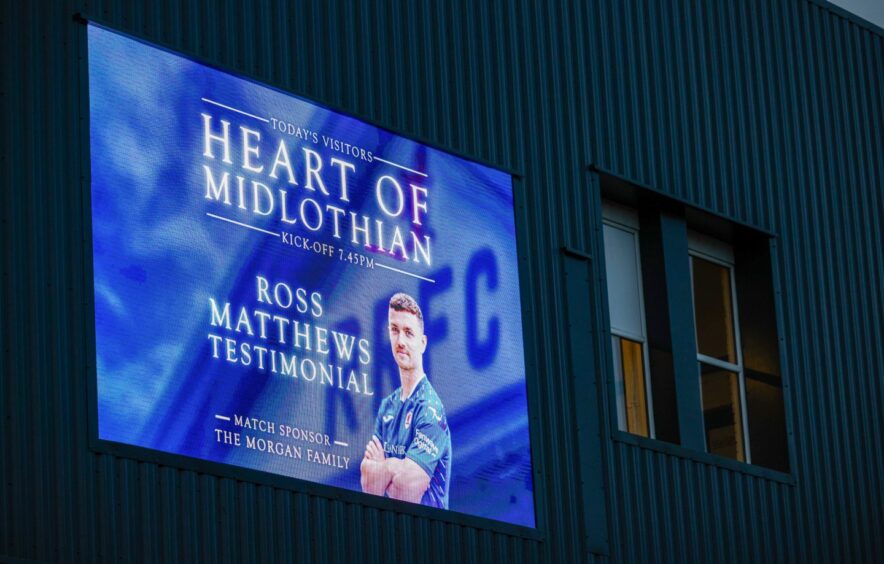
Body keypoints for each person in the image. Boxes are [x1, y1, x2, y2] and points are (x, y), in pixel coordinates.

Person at [360, 293, 451, 508]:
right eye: (394, 330)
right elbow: (368, 486)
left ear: (423, 342)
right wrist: (397, 469)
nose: (400, 341)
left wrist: (385, 466)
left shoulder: (430, 409)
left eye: (408, 333)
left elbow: (405, 492)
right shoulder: (387, 406)